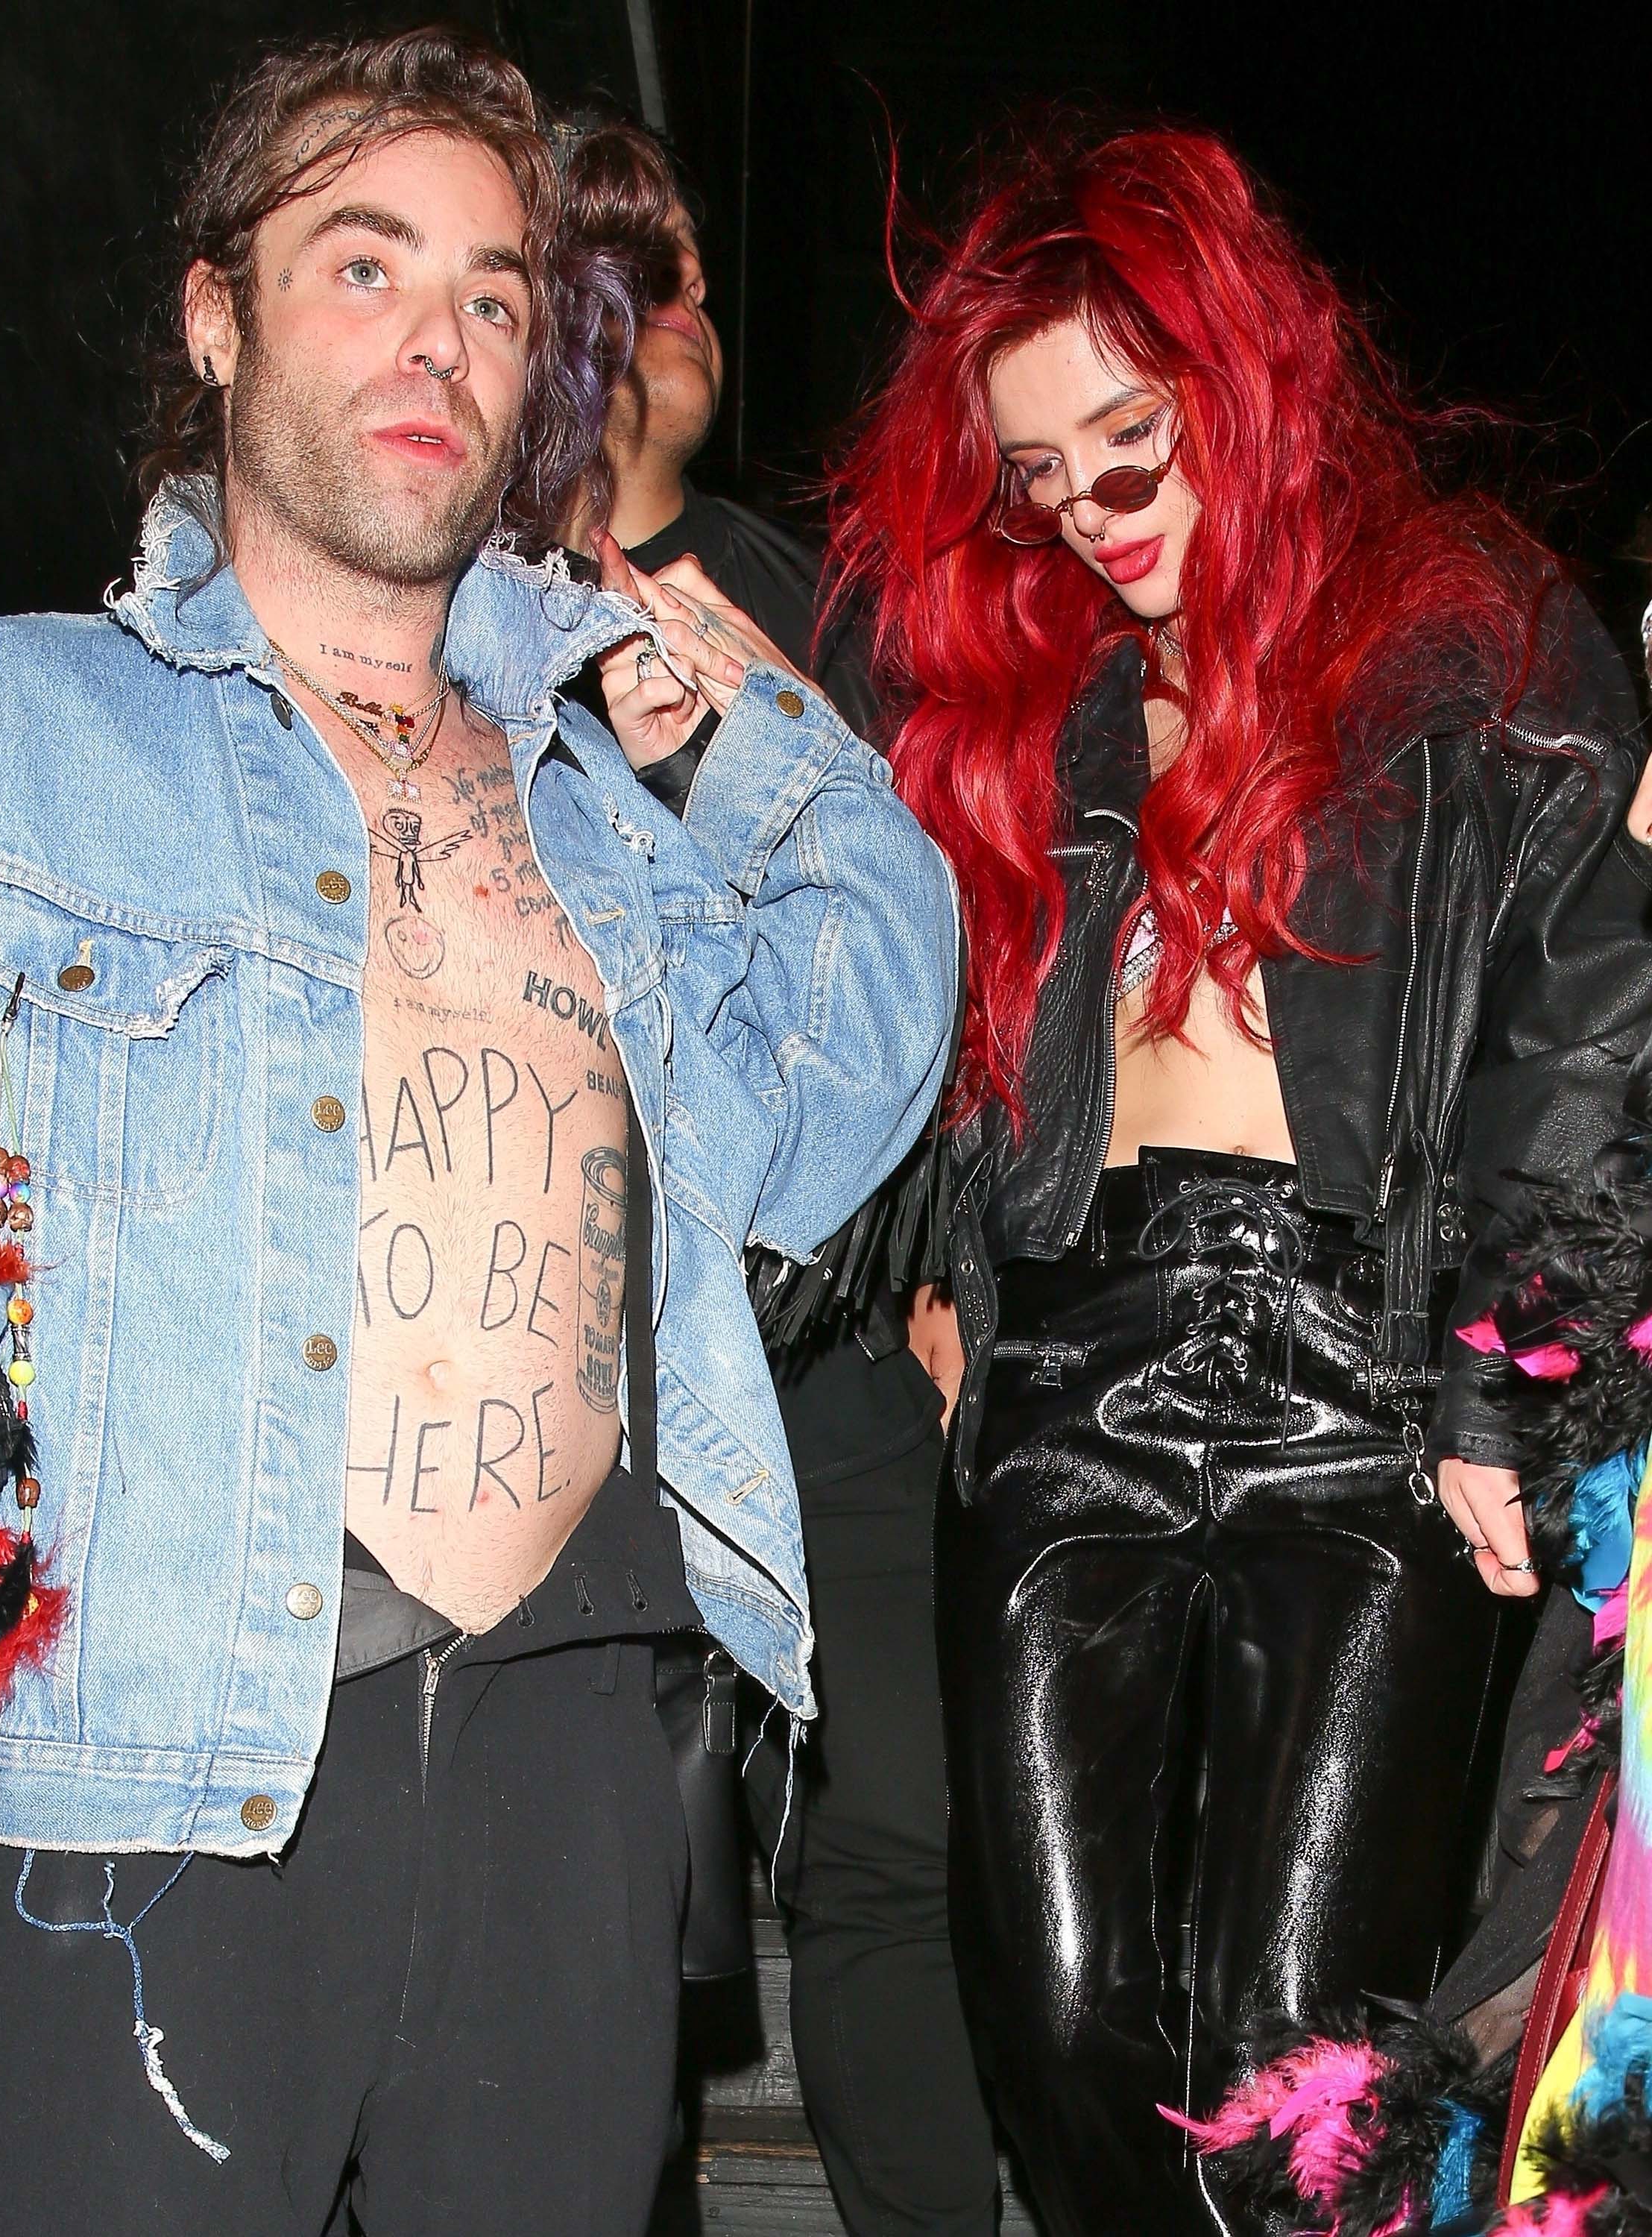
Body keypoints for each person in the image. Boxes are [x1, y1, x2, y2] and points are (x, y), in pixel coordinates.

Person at [0, 31, 957, 2237]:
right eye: (365, 265)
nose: (440, 340)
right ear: (217, 318)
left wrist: (730, 736)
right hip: (147, 1776)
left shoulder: (615, 823)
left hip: (576, 1747)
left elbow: (875, 1023)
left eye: (495, 295)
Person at [827, 122, 1652, 2236]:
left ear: (1251, 380)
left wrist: (1510, 1370)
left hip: (1362, 1362)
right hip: (1072, 1356)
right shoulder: (1024, 687)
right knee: (1058, 2008)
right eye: (1041, 472)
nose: (1091, 510)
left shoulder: (1470, 635)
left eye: (1133, 441)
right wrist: (944, 1264)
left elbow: (1587, 1002)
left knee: (1303, 2033)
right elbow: (900, 995)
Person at [558, 116, 1000, 2237]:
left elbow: (943, 940)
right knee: (611, 1869)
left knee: (903, 1826)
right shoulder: (447, 606)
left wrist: (947, 1272)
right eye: (634, 267)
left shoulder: (827, 600)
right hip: (584, 1343)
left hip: (831, 1323)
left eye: (699, 274)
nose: (692, 314)